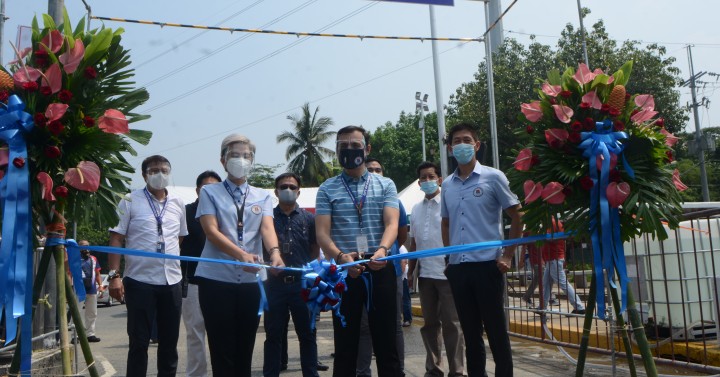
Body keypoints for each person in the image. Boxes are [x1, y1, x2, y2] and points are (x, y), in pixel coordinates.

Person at [315, 125, 403, 377]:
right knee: (345, 341)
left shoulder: (385, 184)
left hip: (380, 264)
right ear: (336, 150)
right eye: (343, 146)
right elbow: (322, 233)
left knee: (386, 339)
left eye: (355, 145)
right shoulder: (327, 188)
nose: (349, 150)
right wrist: (341, 257)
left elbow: (392, 223)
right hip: (344, 270)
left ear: (367, 148)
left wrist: (383, 249)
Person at [193, 134, 284, 377]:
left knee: (245, 345)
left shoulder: (262, 195)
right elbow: (211, 231)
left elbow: (267, 228)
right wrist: (241, 255)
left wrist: (275, 253)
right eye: (234, 155)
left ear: (252, 161)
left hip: (251, 281)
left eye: (246, 156)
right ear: (223, 160)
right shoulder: (210, 193)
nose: (240, 160)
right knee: (222, 348)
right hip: (216, 280)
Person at [441, 124, 523, 377]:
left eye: (467, 140)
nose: (461, 145)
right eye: (457, 141)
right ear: (450, 148)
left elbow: (518, 215)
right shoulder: (447, 185)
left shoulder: (493, 177)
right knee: (470, 331)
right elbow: (446, 222)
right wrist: (449, 258)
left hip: (488, 265)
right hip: (459, 268)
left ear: (477, 145)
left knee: (497, 330)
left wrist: (508, 255)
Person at [108, 155, 188, 377]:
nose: (159, 175)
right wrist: (114, 276)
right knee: (139, 342)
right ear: (144, 175)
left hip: (171, 280)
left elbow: (178, 238)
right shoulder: (129, 200)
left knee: (169, 343)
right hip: (139, 280)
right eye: (154, 171)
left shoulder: (178, 203)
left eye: (164, 170)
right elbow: (116, 238)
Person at [263, 172, 323, 377]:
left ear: (298, 192)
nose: (287, 190)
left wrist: (309, 272)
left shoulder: (309, 218)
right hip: (274, 285)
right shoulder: (267, 218)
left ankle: (311, 373)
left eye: (291, 186)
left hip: (302, 285)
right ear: (276, 191)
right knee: (273, 335)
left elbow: (315, 248)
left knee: (307, 335)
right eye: (283, 187)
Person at [408, 161, 465, 377]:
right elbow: (413, 244)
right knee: (429, 325)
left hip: (448, 272)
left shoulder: (449, 204)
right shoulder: (415, 209)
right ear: (419, 182)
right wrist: (411, 272)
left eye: (431, 176)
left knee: (453, 324)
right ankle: (433, 368)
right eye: (423, 178)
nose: (427, 181)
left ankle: (457, 371)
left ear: (439, 179)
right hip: (425, 275)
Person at [355, 157, 408, 376]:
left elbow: (401, 232)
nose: (375, 173)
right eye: (370, 169)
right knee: (363, 327)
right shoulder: (356, 197)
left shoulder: (393, 198)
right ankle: (362, 372)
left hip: (389, 269)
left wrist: (385, 251)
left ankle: (398, 370)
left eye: (379, 169)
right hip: (359, 269)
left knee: (393, 326)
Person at [180, 170, 222, 377]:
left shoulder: (225, 212)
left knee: (220, 333)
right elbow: (176, 246)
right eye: (205, 188)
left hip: (222, 280)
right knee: (195, 333)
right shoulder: (186, 212)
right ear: (197, 190)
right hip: (193, 281)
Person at [541, 218, 585, 315]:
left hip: (554, 258)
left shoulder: (552, 222)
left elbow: (548, 237)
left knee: (562, 283)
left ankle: (579, 307)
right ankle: (542, 307)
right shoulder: (551, 222)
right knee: (546, 284)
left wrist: (539, 235)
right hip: (552, 258)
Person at [79, 240, 103, 343]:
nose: (86, 248)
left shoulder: (93, 259)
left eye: (88, 246)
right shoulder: (75, 259)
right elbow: (69, 272)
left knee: (92, 312)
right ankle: (76, 334)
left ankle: (90, 334)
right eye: (84, 246)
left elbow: (97, 273)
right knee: (77, 311)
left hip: (91, 288)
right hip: (79, 288)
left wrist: (100, 285)